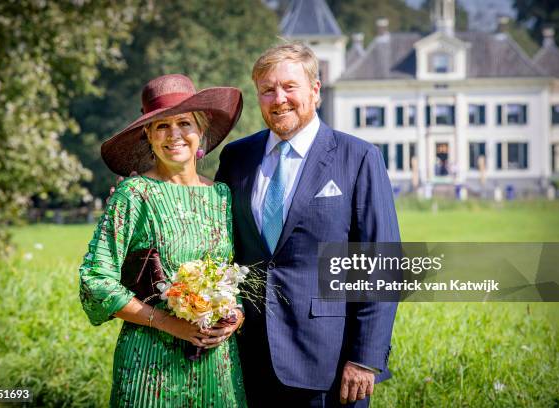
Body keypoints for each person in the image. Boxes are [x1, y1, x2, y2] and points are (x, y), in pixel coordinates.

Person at [215, 42, 400, 407]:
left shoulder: (358, 157)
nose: (278, 98)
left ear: (315, 90)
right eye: (267, 90)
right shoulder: (237, 157)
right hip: (248, 360)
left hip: (330, 366)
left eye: (289, 87)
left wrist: (365, 359)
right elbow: (218, 239)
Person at [79, 74, 247, 407]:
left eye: (184, 123)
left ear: (201, 129)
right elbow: (95, 281)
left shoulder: (222, 196)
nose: (174, 135)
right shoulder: (134, 195)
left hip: (218, 364)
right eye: (161, 126)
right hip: (150, 364)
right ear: (148, 136)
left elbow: (236, 279)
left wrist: (234, 319)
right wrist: (172, 324)